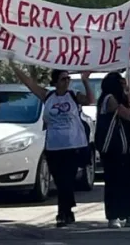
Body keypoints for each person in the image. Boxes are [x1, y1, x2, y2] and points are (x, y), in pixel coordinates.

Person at [13, 66, 94, 227]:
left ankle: (62, 213)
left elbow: (90, 100)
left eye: (68, 79)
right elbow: (29, 83)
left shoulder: (73, 96)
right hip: (53, 146)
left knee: (67, 179)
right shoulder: (48, 96)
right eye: (63, 79)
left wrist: (85, 81)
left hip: (72, 145)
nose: (67, 82)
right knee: (59, 179)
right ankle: (67, 209)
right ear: (55, 82)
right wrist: (14, 67)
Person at [97, 72, 130, 228]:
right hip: (113, 147)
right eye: (121, 84)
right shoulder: (109, 99)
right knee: (113, 181)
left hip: (126, 146)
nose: (124, 87)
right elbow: (128, 116)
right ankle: (113, 215)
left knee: (129, 180)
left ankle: (129, 214)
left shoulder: (120, 98)